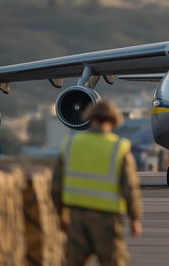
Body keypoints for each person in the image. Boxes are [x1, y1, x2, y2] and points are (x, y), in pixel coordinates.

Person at [52, 99, 143, 266]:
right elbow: (130, 187)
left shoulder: (71, 143)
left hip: (76, 218)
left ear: (91, 118)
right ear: (113, 121)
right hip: (106, 220)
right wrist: (134, 218)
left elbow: (56, 184)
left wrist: (61, 213)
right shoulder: (118, 148)